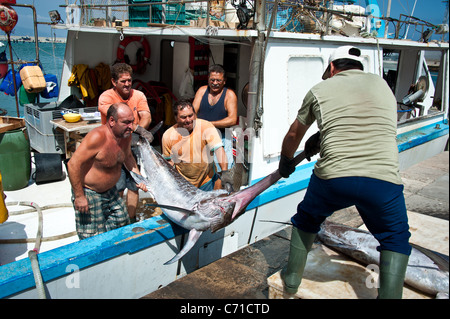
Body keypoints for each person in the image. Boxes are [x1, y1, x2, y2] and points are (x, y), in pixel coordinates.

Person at [278, 45, 411, 299]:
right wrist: (323, 135)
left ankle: (292, 280)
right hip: (382, 181)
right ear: (359, 67)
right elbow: (366, 121)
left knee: (306, 219)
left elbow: (295, 133)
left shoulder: (319, 90)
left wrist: (285, 162)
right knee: (396, 238)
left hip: (334, 178)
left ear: (331, 68)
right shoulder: (383, 86)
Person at [68, 103, 148, 239]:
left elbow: (128, 157)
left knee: (122, 223)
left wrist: (139, 178)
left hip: (111, 191)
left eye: (132, 122)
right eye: (126, 122)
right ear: (111, 121)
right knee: (92, 238)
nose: (131, 126)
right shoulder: (97, 137)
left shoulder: (126, 136)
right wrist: (79, 196)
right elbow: (72, 164)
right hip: (90, 192)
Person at [98, 63, 153, 223]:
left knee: (134, 184)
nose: (128, 84)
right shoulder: (106, 98)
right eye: (123, 81)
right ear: (114, 82)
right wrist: (138, 130)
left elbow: (146, 116)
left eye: (129, 80)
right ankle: (116, 218)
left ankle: (131, 218)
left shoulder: (139, 95)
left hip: (132, 146)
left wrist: (137, 134)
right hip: (112, 147)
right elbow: (119, 119)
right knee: (116, 185)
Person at [162, 99, 233, 191]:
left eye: (191, 115)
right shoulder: (168, 135)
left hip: (207, 181)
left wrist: (225, 171)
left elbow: (219, 150)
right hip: (184, 185)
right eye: (183, 117)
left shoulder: (206, 126)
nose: (188, 120)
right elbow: (169, 162)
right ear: (176, 118)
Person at [192, 64, 238, 170]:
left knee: (223, 169)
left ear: (224, 81)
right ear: (208, 79)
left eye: (218, 80)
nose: (215, 83)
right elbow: (192, 113)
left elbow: (232, 119)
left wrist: (208, 124)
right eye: (212, 80)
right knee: (200, 167)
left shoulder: (229, 95)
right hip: (202, 136)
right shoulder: (202, 91)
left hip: (222, 137)